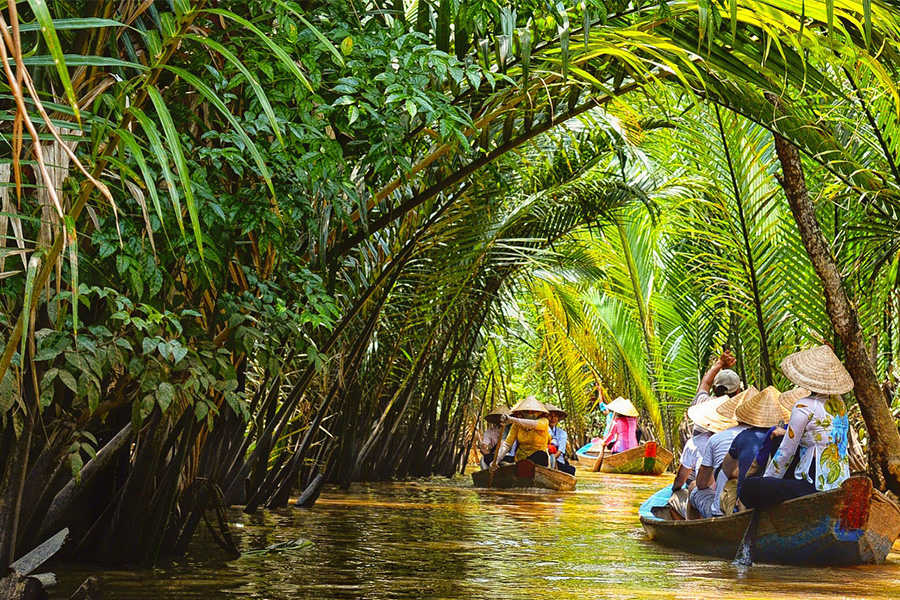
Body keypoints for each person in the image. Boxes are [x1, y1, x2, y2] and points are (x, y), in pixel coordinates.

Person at [740, 345, 853, 510]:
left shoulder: (804, 405)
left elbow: (786, 451)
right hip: (840, 481)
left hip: (814, 485)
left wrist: (768, 481)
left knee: (749, 487)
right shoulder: (840, 404)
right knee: (778, 439)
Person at [717, 386, 791, 514]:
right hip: (780, 496)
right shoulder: (790, 435)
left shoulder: (744, 437)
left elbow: (727, 471)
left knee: (729, 485)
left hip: (750, 501)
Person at [688, 385, 758, 519]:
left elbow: (702, 484)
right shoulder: (770, 436)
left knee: (694, 489)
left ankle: (691, 530)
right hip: (754, 507)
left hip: (721, 511)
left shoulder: (716, 438)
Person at [668, 394, 736, 519]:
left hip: (718, 505)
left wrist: (674, 489)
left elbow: (686, 479)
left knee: (692, 487)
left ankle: (691, 526)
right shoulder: (743, 436)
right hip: (736, 500)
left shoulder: (699, 441)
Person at [690, 350, 743, 438]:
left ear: (714, 388)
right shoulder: (741, 414)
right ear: (737, 391)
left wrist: (720, 363)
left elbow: (705, 383)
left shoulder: (703, 403)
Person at [492, 395, 552, 469]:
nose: (530, 413)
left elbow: (532, 424)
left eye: (533, 411)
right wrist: (496, 460)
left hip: (538, 460)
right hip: (519, 459)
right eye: (527, 411)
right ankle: (516, 466)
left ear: (539, 412)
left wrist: (512, 420)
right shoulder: (516, 425)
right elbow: (507, 444)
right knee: (489, 458)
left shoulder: (544, 421)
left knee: (541, 455)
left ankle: (515, 466)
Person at [545, 403, 576, 475]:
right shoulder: (540, 430)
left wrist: (551, 461)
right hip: (543, 458)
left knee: (571, 470)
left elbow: (559, 452)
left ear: (558, 419)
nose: (552, 419)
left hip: (557, 460)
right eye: (550, 416)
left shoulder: (562, 433)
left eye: (555, 416)